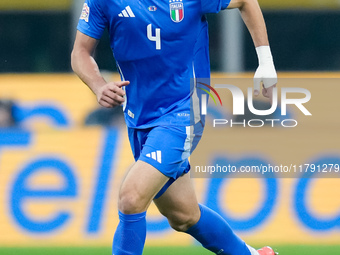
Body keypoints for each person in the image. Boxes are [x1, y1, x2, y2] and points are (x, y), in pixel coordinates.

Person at [71, 0, 278, 254]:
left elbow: (246, 1)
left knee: (131, 197)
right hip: (140, 118)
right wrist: (98, 85)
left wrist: (265, 62)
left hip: (184, 111)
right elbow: (80, 52)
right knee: (183, 215)